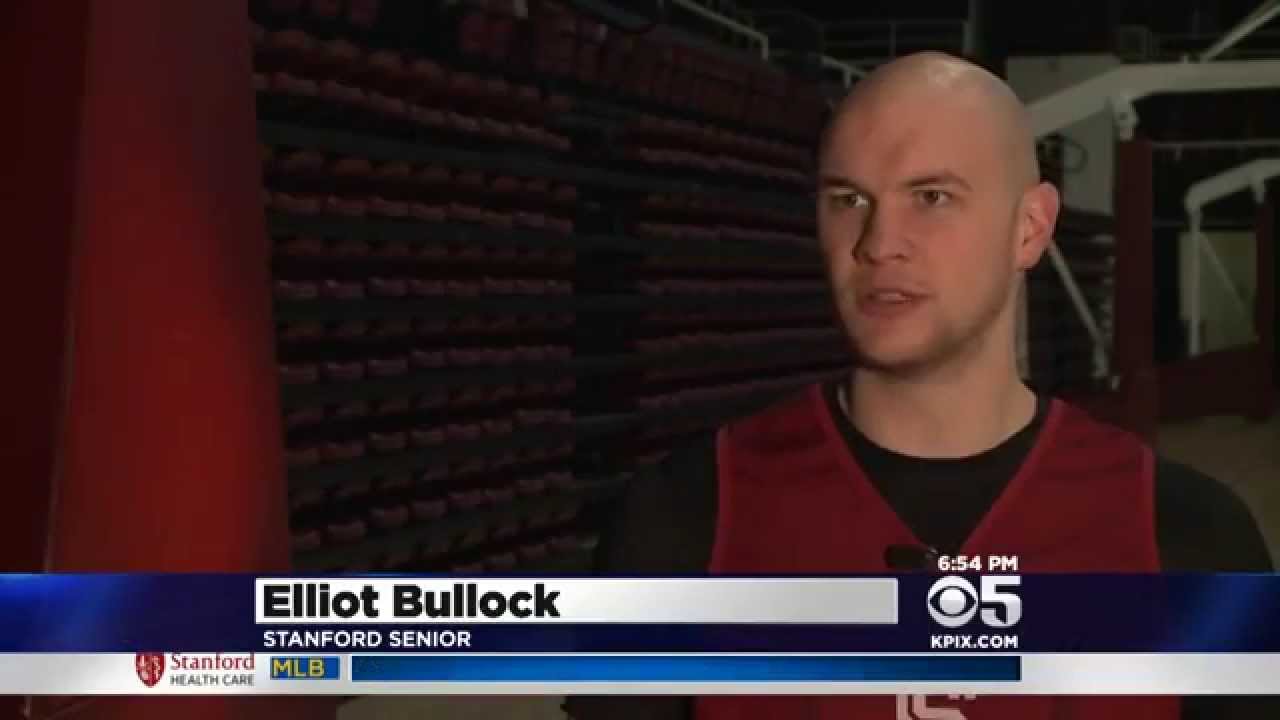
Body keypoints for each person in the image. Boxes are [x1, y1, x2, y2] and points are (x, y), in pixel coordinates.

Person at [565, 52, 1273, 720]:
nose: (877, 243)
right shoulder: (687, 520)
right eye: (848, 199)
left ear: (1030, 229)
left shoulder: (1187, 536)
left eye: (931, 196)